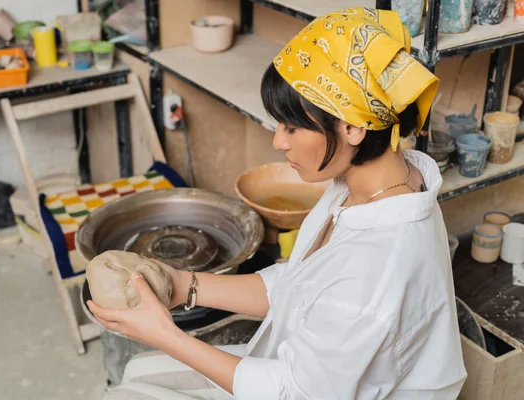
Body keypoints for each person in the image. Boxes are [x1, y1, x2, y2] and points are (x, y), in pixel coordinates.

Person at [88, 7, 467, 399]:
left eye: (291, 126)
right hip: (311, 373)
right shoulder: (375, 182)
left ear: (353, 126)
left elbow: (296, 392)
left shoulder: (378, 263)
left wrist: (166, 335)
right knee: (137, 368)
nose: (279, 142)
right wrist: (183, 285)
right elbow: (302, 286)